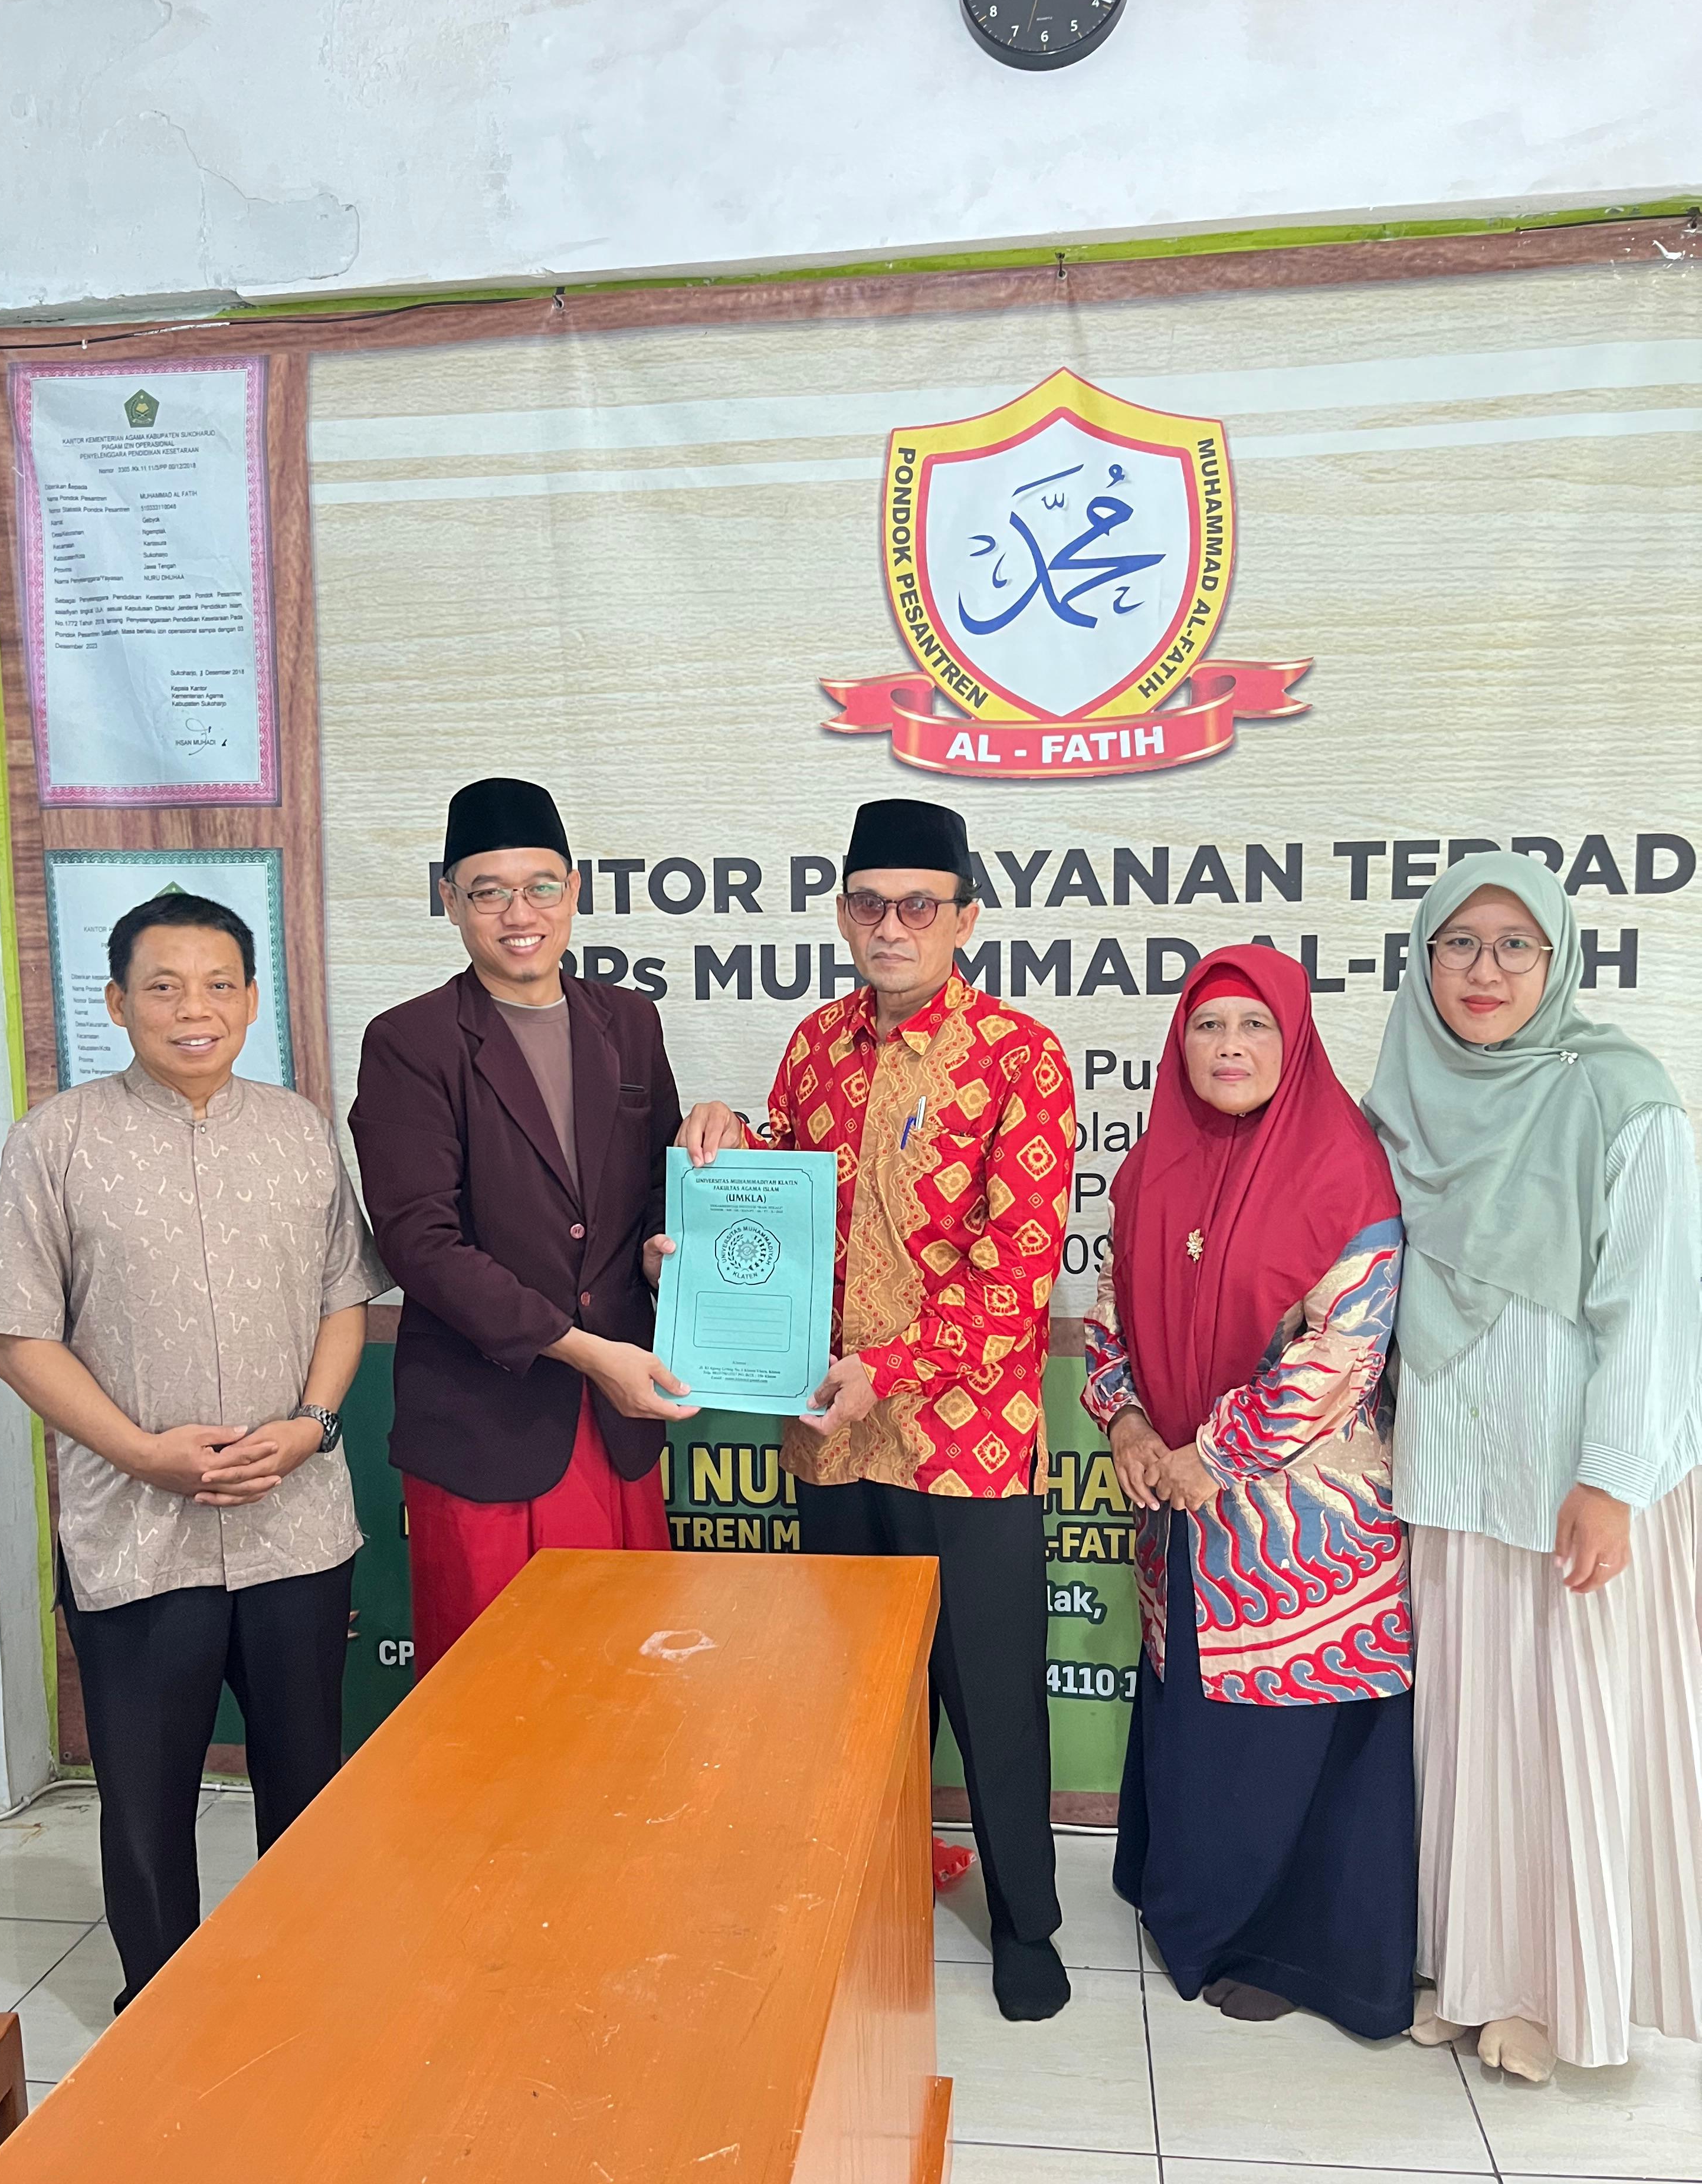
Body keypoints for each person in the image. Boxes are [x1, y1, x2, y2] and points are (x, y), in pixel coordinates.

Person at [680, 797, 1076, 2021]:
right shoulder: (814, 1046)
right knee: (854, 1701)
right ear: (844, 914)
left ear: (966, 918)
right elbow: (781, 1203)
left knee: (991, 1696)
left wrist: (892, 1368)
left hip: (968, 1446)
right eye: (869, 904)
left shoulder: (1021, 1056)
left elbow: (1017, 1276)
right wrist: (721, 1153)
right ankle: (874, 1892)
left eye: (918, 905)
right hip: (833, 1439)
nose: (891, 926)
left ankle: (1026, 1922)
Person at [0, 892, 386, 2009]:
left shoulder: (300, 1129)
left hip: (295, 1525)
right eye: (163, 987)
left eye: (217, 986)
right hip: (137, 1530)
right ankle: (158, 2009)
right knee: (147, 1799)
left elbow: (343, 1298)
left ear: (252, 1001)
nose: (192, 1009)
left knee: (305, 1779)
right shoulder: (56, 1140)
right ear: (117, 1003)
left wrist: (313, 1425)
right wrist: (142, 1454)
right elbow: (16, 1332)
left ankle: (303, 1987)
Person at [1365, 855, 1702, 2081]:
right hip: (1454, 1476)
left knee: (1571, 1731)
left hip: (1573, 1483)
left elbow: (1655, 1305)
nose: (1485, 971)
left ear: (1558, 961)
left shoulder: (1623, 1096)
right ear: (1423, 960)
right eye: (1459, 943)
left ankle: (1566, 1999)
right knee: (1471, 1736)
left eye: (1518, 945)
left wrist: (1613, 1478)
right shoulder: (1405, 1097)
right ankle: (1476, 1974)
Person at [1083, 947, 1416, 2038]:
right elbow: (1108, 1320)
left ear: (1295, 1040)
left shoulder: (1343, 1169)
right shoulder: (1148, 1169)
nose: (1230, 1047)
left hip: (1302, 1528)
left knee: (1287, 1741)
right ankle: (1194, 1907)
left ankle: (1286, 1946)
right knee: (1199, 1723)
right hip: (1179, 1515)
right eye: (1209, 1026)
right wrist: (1128, 1421)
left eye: (1255, 1026)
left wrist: (1212, 1457)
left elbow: (1345, 1351)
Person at [350, 778, 692, 1674]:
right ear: (450, 900)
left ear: (573, 890)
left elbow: (657, 1187)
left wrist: (663, 1259)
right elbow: (419, 1243)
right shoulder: (410, 1041)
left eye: (540, 886)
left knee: (626, 1679)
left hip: (617, 1428)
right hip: (487, 1430)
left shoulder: (630, 1020)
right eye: (489, 892)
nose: (519, 914)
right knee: (497, 1694)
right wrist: (585, 1351)